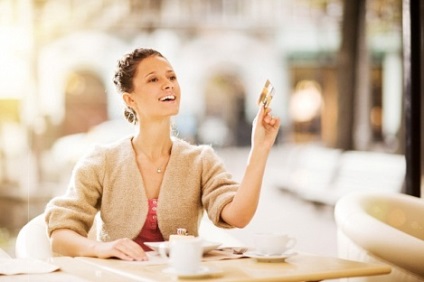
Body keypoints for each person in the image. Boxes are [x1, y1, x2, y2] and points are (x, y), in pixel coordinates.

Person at [45, 48, 280, 261]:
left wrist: (259, 149)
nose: (168, 84)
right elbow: (60, 234)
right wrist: (100, 248)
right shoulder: (102, 160)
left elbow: (238, 217)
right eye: (153, 79)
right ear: (130, 99)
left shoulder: (200, 160)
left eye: (172, 77)